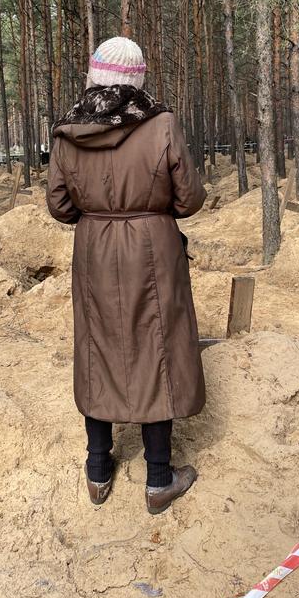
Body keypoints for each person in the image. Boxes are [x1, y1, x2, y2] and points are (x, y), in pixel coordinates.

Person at [46, 36, 206, 514]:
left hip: (94, 250)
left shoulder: (69, 130)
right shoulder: (161, 124)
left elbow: (58, 205)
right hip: (153, 250)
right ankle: (159, 479)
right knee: (155, 346)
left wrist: (98, 215)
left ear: (94, 75)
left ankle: (98, 470)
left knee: (97, 348)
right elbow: (189, 199)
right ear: (138, 78)